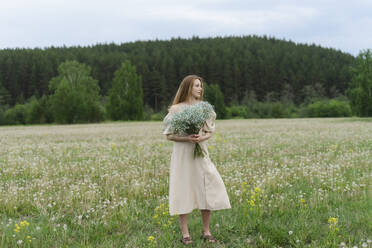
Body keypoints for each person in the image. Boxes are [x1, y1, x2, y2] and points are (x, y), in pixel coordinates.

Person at [162, 75, 231, 245]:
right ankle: (185, 234)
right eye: (196, 86)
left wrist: (201, 139)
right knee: (183, 188)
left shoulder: (204, 108)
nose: (200, 89)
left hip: (200, 153)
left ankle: (206, 231)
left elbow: (209, 131)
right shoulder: (176, 109)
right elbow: (169, 136)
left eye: (201, 86)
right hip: (183, 155)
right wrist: (187, 139)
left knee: (206, 186)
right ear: (188, 88)